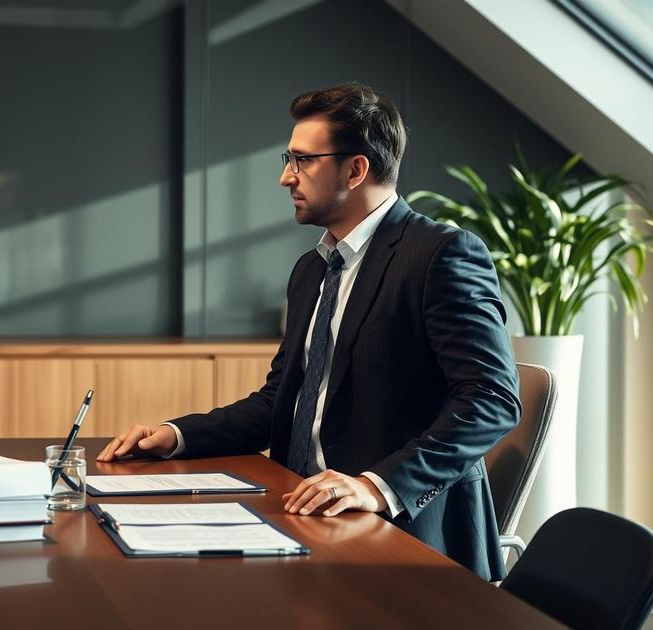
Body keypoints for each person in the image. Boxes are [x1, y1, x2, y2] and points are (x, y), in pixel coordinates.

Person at [97, 83, 521, 581]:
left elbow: (491, 399)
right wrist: (176, 435)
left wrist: (374, 485)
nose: (285, 177)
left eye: (302, 161)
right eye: (288, 159)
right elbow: (280, 400)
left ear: (356, 168)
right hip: (300, 513)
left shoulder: (440, 254)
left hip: (396, 535)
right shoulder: (313, 268)